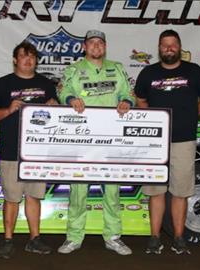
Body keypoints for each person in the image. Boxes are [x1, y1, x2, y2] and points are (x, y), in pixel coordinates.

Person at [135, 29, 200, 255]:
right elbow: (140, 100)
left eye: (173, 44)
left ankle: (179, 238)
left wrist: (191, 114)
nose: (169, 48)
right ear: (159, 48)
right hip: (154, 143)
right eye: (164, 45)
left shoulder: (194, 71)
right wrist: (152, 121)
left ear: (179, 47)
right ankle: (154, 237)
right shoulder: (148, 73)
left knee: (180, 191)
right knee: (155, 191)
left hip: (183, 140)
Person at [57, 30, 135, 255]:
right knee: (78, 190)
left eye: (100, 42)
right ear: (84, 47)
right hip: (81, 137)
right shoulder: (74, 69)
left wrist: (127, 102)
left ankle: (113, 236)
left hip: (111, 139)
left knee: (112, 189)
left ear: (105, 47)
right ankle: (73, 237)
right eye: (91, 42)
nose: (96, 46)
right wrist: (72, 99)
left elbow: (129, 91)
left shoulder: (117, 68)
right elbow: (63, 91)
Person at [0, 42, 58, 259]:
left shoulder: (46, 84)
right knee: (12, 198)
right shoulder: (3, 83)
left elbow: (59, 114)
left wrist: (55, 105)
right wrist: (8, 110)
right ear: (15, 59)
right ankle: (8, 239)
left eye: (32, 56)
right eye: (24, 56)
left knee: (34, 196)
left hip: (38, 151)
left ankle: (34, 239)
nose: (28, 60)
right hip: (11, 150)